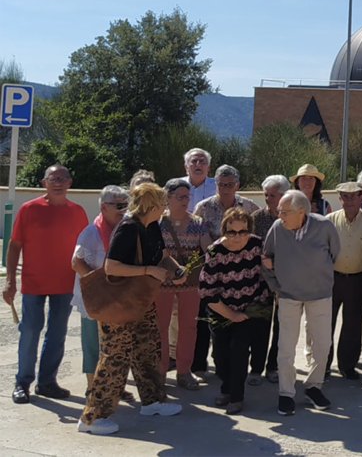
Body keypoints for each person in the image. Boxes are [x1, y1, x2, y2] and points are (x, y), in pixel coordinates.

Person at [78, 182, 184, 435]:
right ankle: (92, 418)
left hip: (141, 300)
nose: (165, 209)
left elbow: (162, 255)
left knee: (148, 350)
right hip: (119, 303)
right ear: (151, 206)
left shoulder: (153, 227)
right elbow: (111, 267)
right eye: (162, 204)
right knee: (115, 357)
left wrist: (176, 269)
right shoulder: (128, 228)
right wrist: (148, 270)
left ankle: (153, 401)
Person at [6, 164, 88, 405]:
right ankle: (22, 382)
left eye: (62, 178)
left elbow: (84, 247)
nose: (58, 182)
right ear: (44, 183)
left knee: (57, 333)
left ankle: (47, 382)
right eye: (53, 179)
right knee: (30, 331)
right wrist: (10, 280)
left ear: (70, 182)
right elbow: (14, 245)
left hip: (65, 282)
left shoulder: (78, 211)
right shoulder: (29, 209)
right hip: (33, 283)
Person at [262, 190, 340, 416]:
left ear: (301, 212)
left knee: (322, 345)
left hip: (320, 295)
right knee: (286, 348)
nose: (280, 215)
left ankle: (314, 387)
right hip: (288, 296)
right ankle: (286, 393)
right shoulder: (277, 228)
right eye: (279, 211)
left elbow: (334, 254)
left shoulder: (324, 226)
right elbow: (266, 258)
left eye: (284, 212)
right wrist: (276, 286)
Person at [200, 207, 272, 415]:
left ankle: (236, 397)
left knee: (238, 351)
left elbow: (272, 269)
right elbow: (207, 292)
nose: (238, 237)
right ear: (224, 231)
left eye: (243, 231)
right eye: (232, 232)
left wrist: (272, 265)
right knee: (220, 355)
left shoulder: (257, 245)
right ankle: (227, 388)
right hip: (221, 308)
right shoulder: (215, 252)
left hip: (251, 306)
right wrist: (230, 315)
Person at [192, 164, 259, 375]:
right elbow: (196, 237)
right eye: (221, 184)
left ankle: (237, 372)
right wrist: (216, 255)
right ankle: (201, 366)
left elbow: (255, 240)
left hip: (242, 275)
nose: (225, 188)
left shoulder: (250, 207)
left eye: (229, 184)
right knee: (207, 323)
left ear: (237, 185)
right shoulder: (202, 207)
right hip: (212, 271)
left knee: (240, 330)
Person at [71, 186, 129, 399]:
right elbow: (77, 262)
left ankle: (114, 386)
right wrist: (99, 284)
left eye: (126, 205)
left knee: (116, 344)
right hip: (94, 296)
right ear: (104, 206)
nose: (124, 210)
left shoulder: (124, 229)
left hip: (117, 294)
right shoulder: (91, 232)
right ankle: (92, 387)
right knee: (93, 343)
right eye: (119, 205)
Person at [157, 178, 210, 391]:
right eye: (180, 197)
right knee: (160, 327)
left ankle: (184, 371)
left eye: (187, 197)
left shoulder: (198, 222)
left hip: (189, 283)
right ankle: (159, 373)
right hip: (162, 282)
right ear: (167, 198)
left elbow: (208, 251)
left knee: (189, 327)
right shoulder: (157, 223)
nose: (185, 201)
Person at [325, 182, 362, 381]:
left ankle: (347, 366)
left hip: (358, 279)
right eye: (344, 197)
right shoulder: (329, 221)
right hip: (332, 279)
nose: (349, 200)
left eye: (353, 196)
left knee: (353, 326)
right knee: (324, 325)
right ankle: (324, 364)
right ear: (339, 199)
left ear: (361, 197)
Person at [252, 175, 289, 384]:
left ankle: (273, 367)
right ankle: (255, 369)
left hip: (286, 282)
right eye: (266, 195)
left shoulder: (293, 217)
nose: (268, 199)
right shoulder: (257, 218)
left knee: (281, 327)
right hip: (260, 282)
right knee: (260, 326)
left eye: (272, 195)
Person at [182, 148, 216, 213]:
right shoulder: (176, 186)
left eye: (202, 161)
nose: (198, 164)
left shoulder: (217, 186)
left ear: (208, 167)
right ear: (186, 167)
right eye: (194, 161)